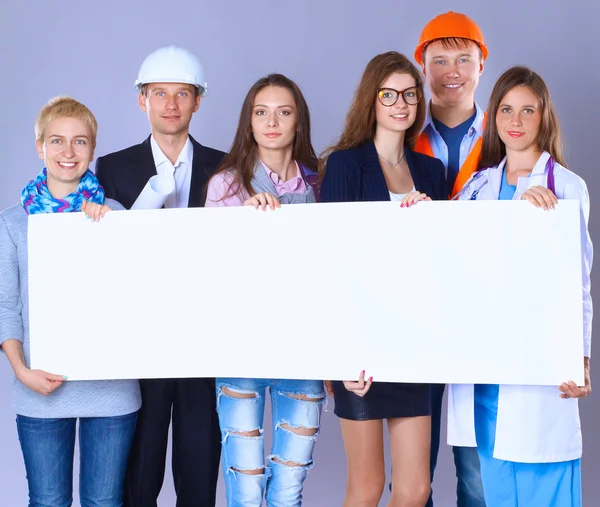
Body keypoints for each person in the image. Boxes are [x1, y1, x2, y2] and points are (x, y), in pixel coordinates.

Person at [451, 65, 592, 506]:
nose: (515, 121)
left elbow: (578, 284)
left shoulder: (566, 188)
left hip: (536, 370)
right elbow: (443, 256)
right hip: (481, 370)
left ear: (543, 117)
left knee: (540, 483)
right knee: (482, 487)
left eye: (527, 110)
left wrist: (581, 358)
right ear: (494, 119)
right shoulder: (477, 188)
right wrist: (420, 208)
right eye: (506, 110)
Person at [95, 46, 224, 507]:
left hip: (203, 339)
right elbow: (103, 256)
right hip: (142, 339)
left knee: (199, 469)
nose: (171, 104)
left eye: (182, 94)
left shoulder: (225, 166)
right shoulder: (112, 167)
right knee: (139, 472)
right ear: (142, 100)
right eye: (160, 93)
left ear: (197, 101)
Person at [320, 51, 447, 507]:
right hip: (363, 343)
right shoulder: (345, 165)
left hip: (414, 340)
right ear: (370, 100)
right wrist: (341, 354)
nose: (400, 103)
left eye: (409, 95)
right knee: (368, 484)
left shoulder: (432, 172)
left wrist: (430, 223)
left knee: (415, 489)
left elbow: (443, 261)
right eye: (388, 94)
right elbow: (333, 262)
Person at [0, 96, 141, 506]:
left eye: (80, 142)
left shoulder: (117, 217)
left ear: (92, 150)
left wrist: (106, 234)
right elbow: (6, 305)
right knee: (47, 501)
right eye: (57, 141)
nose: (68, 151)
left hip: (111, 388)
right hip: (40, 386)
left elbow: (135, 299)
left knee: (104, 502)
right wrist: (21, 371)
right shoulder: (12, 222)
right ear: (40, 146)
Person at [205, 73, 324, 507]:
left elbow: (336, 271)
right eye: (261, 112)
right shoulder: (225, 185)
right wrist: (242, 223)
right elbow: (210, 272)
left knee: (289, 488)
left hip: (304, 350)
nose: (272, 121)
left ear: (299, 121)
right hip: (242, 349)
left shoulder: (320, 184)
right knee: (247, 486)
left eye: (284, 112)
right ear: (249, 122)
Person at [413, 11, 489, 506]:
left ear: (483, 63)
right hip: (415, 318)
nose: (452, 71)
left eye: (464, 58)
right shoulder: (398, 144)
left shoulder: (509, 141)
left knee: (475, 474)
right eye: (439, 60)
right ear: (423, 67)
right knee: (414, 478)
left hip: (483, 321)